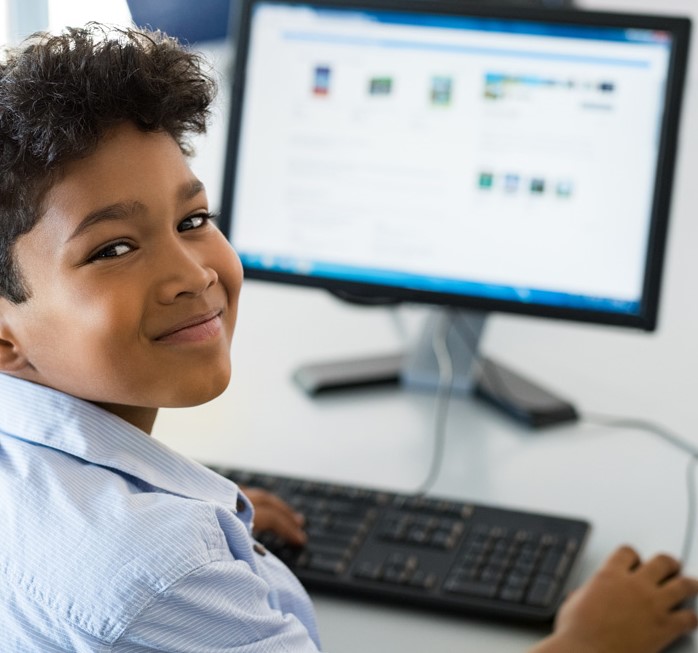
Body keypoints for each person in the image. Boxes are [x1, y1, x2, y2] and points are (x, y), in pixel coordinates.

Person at [0, 23, 695, 653]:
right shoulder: (171, 575)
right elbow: (138, 572)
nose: (192, 273)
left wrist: (202, 505)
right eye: (113, 249)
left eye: (192, 219)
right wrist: (591, 643)